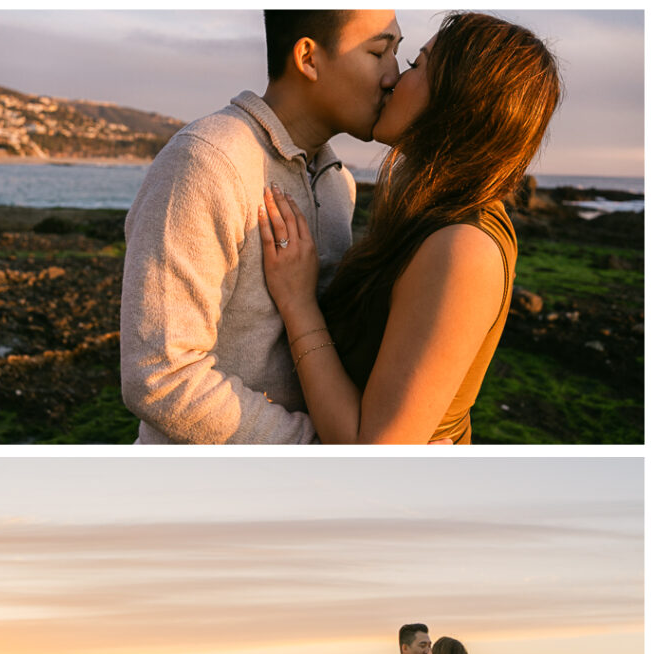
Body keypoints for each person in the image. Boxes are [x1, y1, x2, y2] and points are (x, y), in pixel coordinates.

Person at [258, 11, 562, 443]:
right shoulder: (428, 218)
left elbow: (375, 454)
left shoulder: (462, 248)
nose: (393, 78)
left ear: (457, 102)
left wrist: (297, 303)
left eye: (416, 65)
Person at [120, 10, 403, 444]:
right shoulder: (207, 161)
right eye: (379, 52)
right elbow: (160, 374)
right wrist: (315, 449)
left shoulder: (338, 183)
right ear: (308, 58)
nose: (394, 76)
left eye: (397, 53)